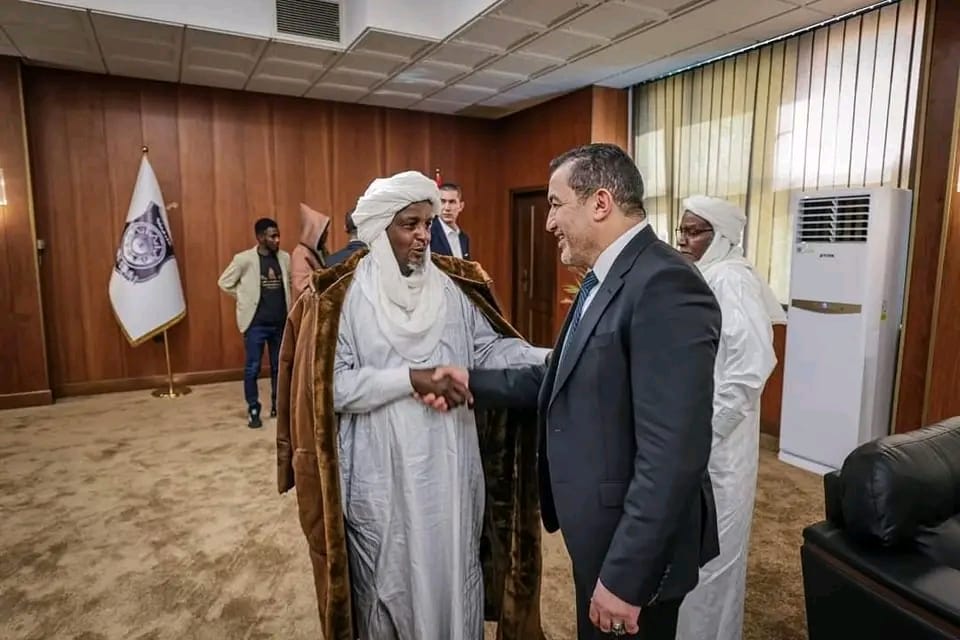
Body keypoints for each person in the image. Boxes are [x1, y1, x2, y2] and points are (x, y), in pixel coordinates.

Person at [425, 143, 722, 640]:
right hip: (600, 533)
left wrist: (625, 578)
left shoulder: (666, 283)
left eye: (556, 204)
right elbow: (559, 374)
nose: (548, 222)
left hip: (634, 554)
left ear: (600, 203)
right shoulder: (604, 278)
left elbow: (674, 453)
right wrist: (471, 382)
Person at [275, 170, 549, 640]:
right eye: (410, 224)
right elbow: (331, 387)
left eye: (427, 223)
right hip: (381, 470)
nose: (424, 235)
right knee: (390, 578)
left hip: (451, 462)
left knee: (454, 566)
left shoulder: (452, 287)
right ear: (380, 228)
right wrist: (408, 379)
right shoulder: (344, 296)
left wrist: (550, 357)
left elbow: (487, 349)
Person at [674, 196, 785, 640]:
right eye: (681, 230)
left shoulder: (731, 279)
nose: (683, 240)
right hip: (698, 437)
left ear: (720, 236)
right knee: (692, 552)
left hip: (722, 445)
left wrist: (709, 432)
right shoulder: (706, 275)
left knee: (714, 559)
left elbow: (750, 367)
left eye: (694, 232)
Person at [218, 218, 291, 428]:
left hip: (280, 323)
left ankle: (278, 405)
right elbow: (224, 282)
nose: (277, 240)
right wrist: (244, 297)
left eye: (278, 235)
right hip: (256, 324)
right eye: (272, 236)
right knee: (253, 368)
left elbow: (289, 284)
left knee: (280, 367)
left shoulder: (285, 258)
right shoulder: (244, 259)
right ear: (260, 237)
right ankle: (253, 409)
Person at [291, 203, 330, 300]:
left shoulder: (322, 251)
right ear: (314, 232)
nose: (326, 234)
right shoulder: (300, 253)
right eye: (323, 231)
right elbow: (300, 287)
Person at [429, 182, 470, 259]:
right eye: (443, 201)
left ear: (461, 206)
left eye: (452, 202)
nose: (447, 208)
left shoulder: (464, 238)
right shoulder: (428, 233)